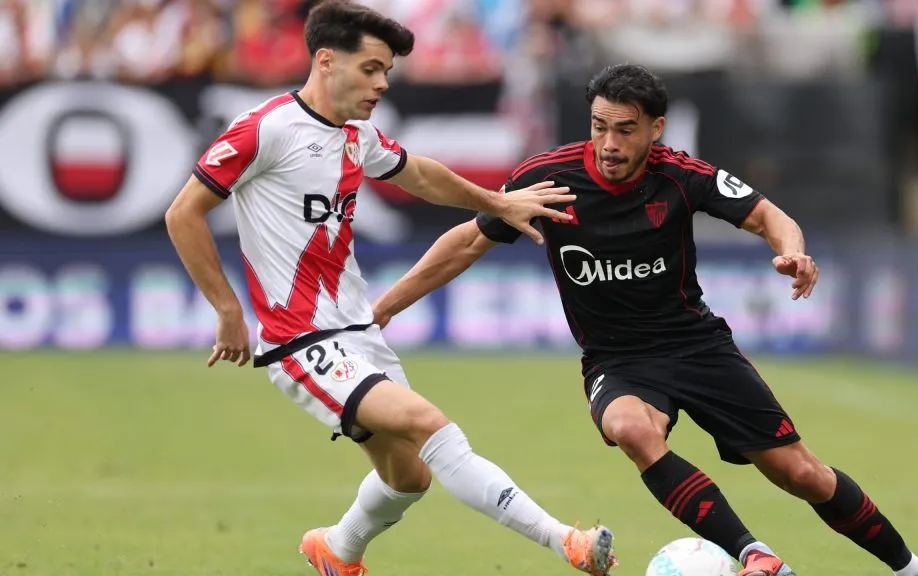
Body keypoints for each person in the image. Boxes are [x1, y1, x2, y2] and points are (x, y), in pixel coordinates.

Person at [372, 63, 918, 576]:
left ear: (656, 129)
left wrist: (793, 251)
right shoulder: (548, 180)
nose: (609, 143)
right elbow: (467, 243)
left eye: (625, 129)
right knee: (630, 429)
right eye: (599, 126)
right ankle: (755, 555)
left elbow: (768, 215)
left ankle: (912, 569)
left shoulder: (681, 176)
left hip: (697, 346)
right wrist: (383, 309)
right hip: (618, 360)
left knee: (803, 475)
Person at [163, 3, 616, 576]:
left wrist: (498, 201)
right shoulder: (267, 128)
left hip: (356, 332)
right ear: (326, 61)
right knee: (431, 425)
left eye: (387, 73)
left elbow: (420, 175)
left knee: (410, 476)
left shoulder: (357, 134)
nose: (381, 83)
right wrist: (228, 311)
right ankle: (567, 543)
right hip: (302, 341)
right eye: (371, 68)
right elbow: (183, 214)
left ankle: (335, 550)